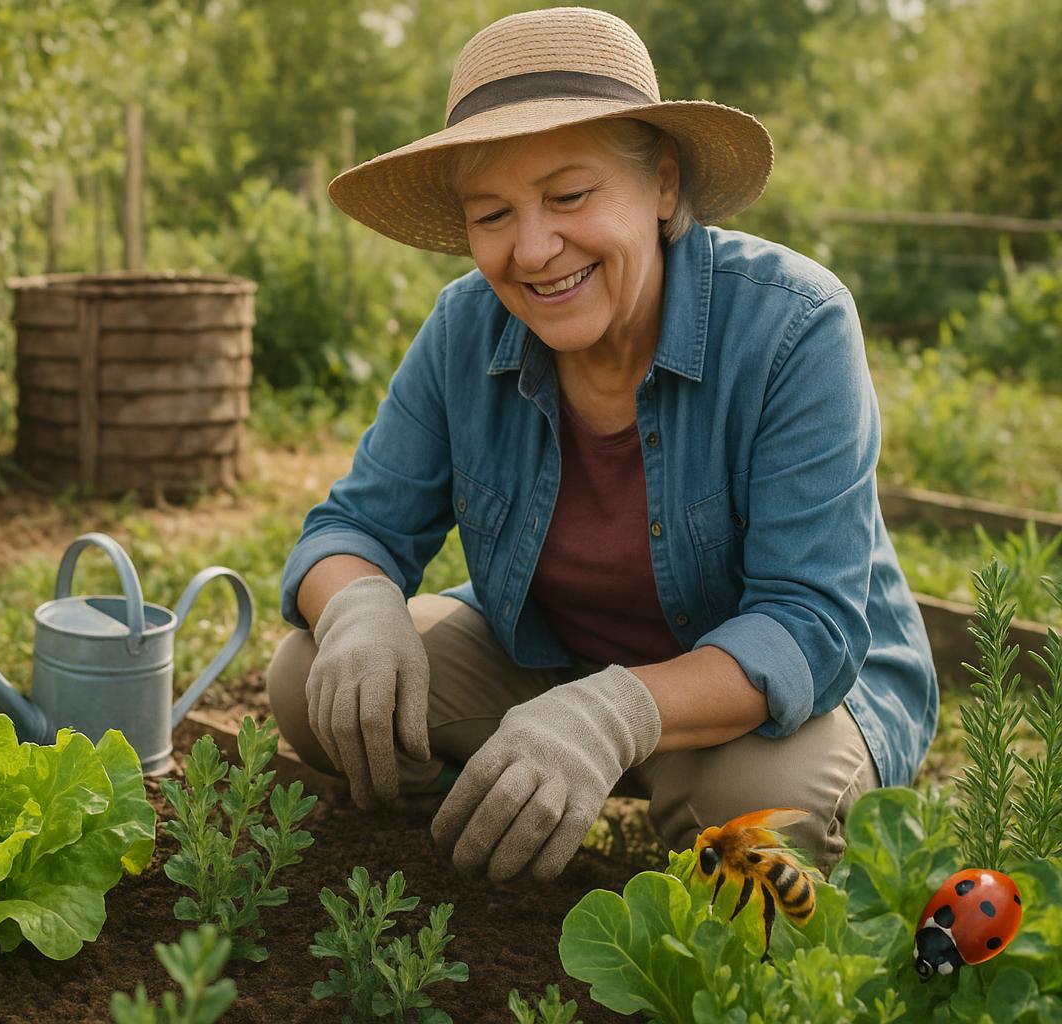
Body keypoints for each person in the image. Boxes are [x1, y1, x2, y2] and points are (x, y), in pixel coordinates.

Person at [265, 6, 937, 881]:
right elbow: (353, 528)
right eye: (493, 213)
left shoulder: (793, 325)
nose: (534, 250)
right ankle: (509, 799)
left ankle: (645, 772)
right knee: (311, 678)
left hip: (771, 694)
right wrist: (358, 608)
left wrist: (613, 713)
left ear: (661, 187)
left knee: (751, 821)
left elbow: (806, 624)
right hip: (552, 658)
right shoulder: (464, 328)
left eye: (570, 196)